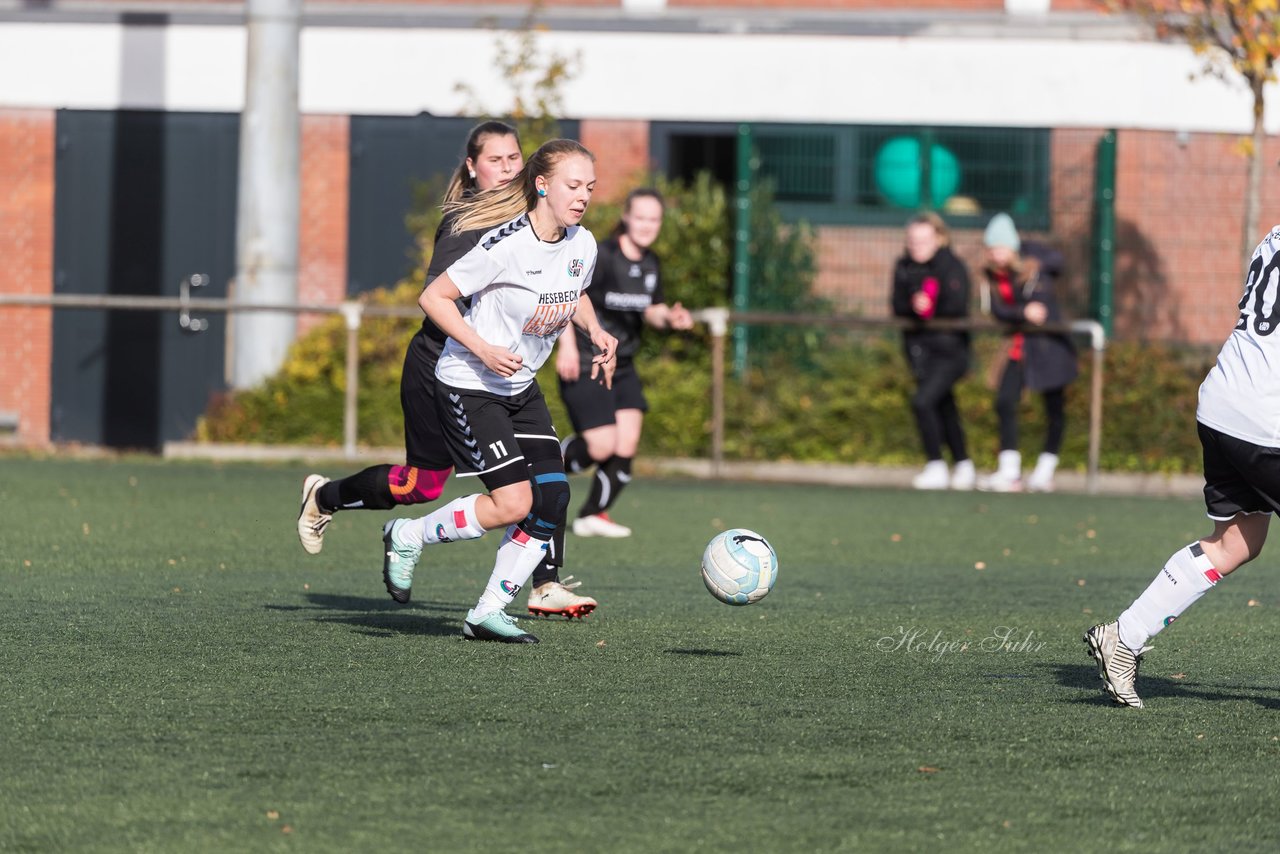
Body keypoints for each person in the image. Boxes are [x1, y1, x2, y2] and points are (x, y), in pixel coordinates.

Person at [295, 121, 597, 620]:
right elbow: (439, 301)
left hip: (502, 372)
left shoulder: (550, 222)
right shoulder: (472, 228)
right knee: (426, 485)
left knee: (545, 485)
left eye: (514, 158)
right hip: (444, 362)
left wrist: (578, 331)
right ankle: (326, 496)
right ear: (472, 169)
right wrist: (482, 346)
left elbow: (560, 288)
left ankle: (542, 583)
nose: (507, 168)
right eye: (495, 160)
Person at [380, 139, 617, 644]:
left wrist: (595, 330)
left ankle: (487, 611)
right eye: (573, 186)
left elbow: (573, 294)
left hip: (521, 387)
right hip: (471, 385)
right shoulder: (504, 245)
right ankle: (408, 535)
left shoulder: (583, 243)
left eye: (589, 188)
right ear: (542, 185)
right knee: (512, 503)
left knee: (552, 497)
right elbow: (434, 297)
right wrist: (482, 347)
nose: (582, 197)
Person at [1085, 226, 1280, 708]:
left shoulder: (1274, 235)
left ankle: (1123, 637)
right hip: (1264, 419)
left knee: (1238, 540)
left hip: (1222, 403)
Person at [557, 188, 694, 536]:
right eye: (641, 217)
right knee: (601, 444)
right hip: (590, 359)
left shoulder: (651, 263)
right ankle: (538, 468)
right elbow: (566, 295)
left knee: (626, 442)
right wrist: (568, 346)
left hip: (625, 363)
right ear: (627, 217)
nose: (647, 225)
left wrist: (671, 319)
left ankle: (593, 514)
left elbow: (652, 310)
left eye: (654, 219)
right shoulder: (602, 256)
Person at [977, 212, 1077, 493]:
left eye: (1001, 248)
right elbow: (1000, 311)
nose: (996, 255)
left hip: (1049, 348)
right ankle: (1009, 472)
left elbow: (1057, 266)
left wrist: (1030, 251)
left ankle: (1045, 470)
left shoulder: (1036, 269)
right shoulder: (991, 277)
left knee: (1054, 409)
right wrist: (1023, 312)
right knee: (1005, 401)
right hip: (1018, 348)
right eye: (992, 249)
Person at [890, 212, 975, 491]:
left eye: (923, 240)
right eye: (912, 240)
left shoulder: (952, 266)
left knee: (923, 402)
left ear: (939, 238)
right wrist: (911, 304)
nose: (917, 246)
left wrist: (930, 306)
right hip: (919, 352)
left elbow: (957, 305)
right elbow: (896, 304)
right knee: (944, 405)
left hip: (950, 352)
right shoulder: (903, 266)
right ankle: (963, 463)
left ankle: (936, 464)